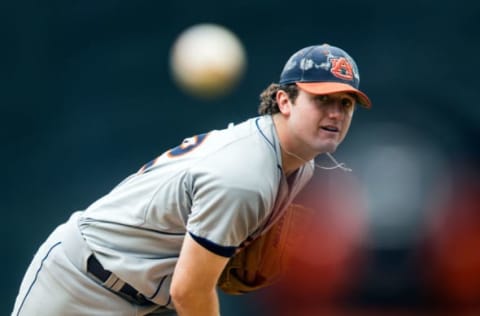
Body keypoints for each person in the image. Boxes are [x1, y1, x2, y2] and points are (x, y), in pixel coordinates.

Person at [11, 43, 371, 316]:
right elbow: (189, 292)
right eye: (321, 100)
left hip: (144, 299)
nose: (336, 113)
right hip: (78, 286)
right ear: (284, 101)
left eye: (346, 103)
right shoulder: (245, 177)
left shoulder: (296, 163)